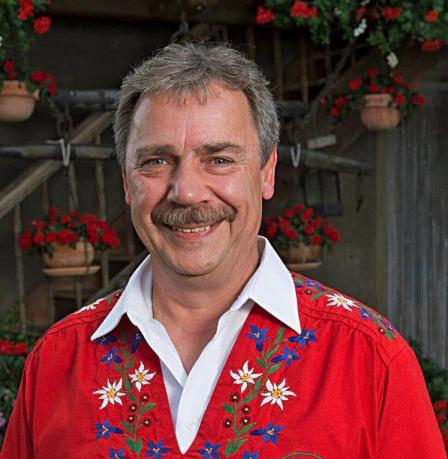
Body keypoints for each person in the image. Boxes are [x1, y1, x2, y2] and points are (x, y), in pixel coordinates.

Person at [1, 43, 445, 459]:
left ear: (267, 172)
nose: (187, 192)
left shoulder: (369, 357)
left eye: (218, 159)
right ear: (127, 183)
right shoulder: (57, 360)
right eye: (156, 161)